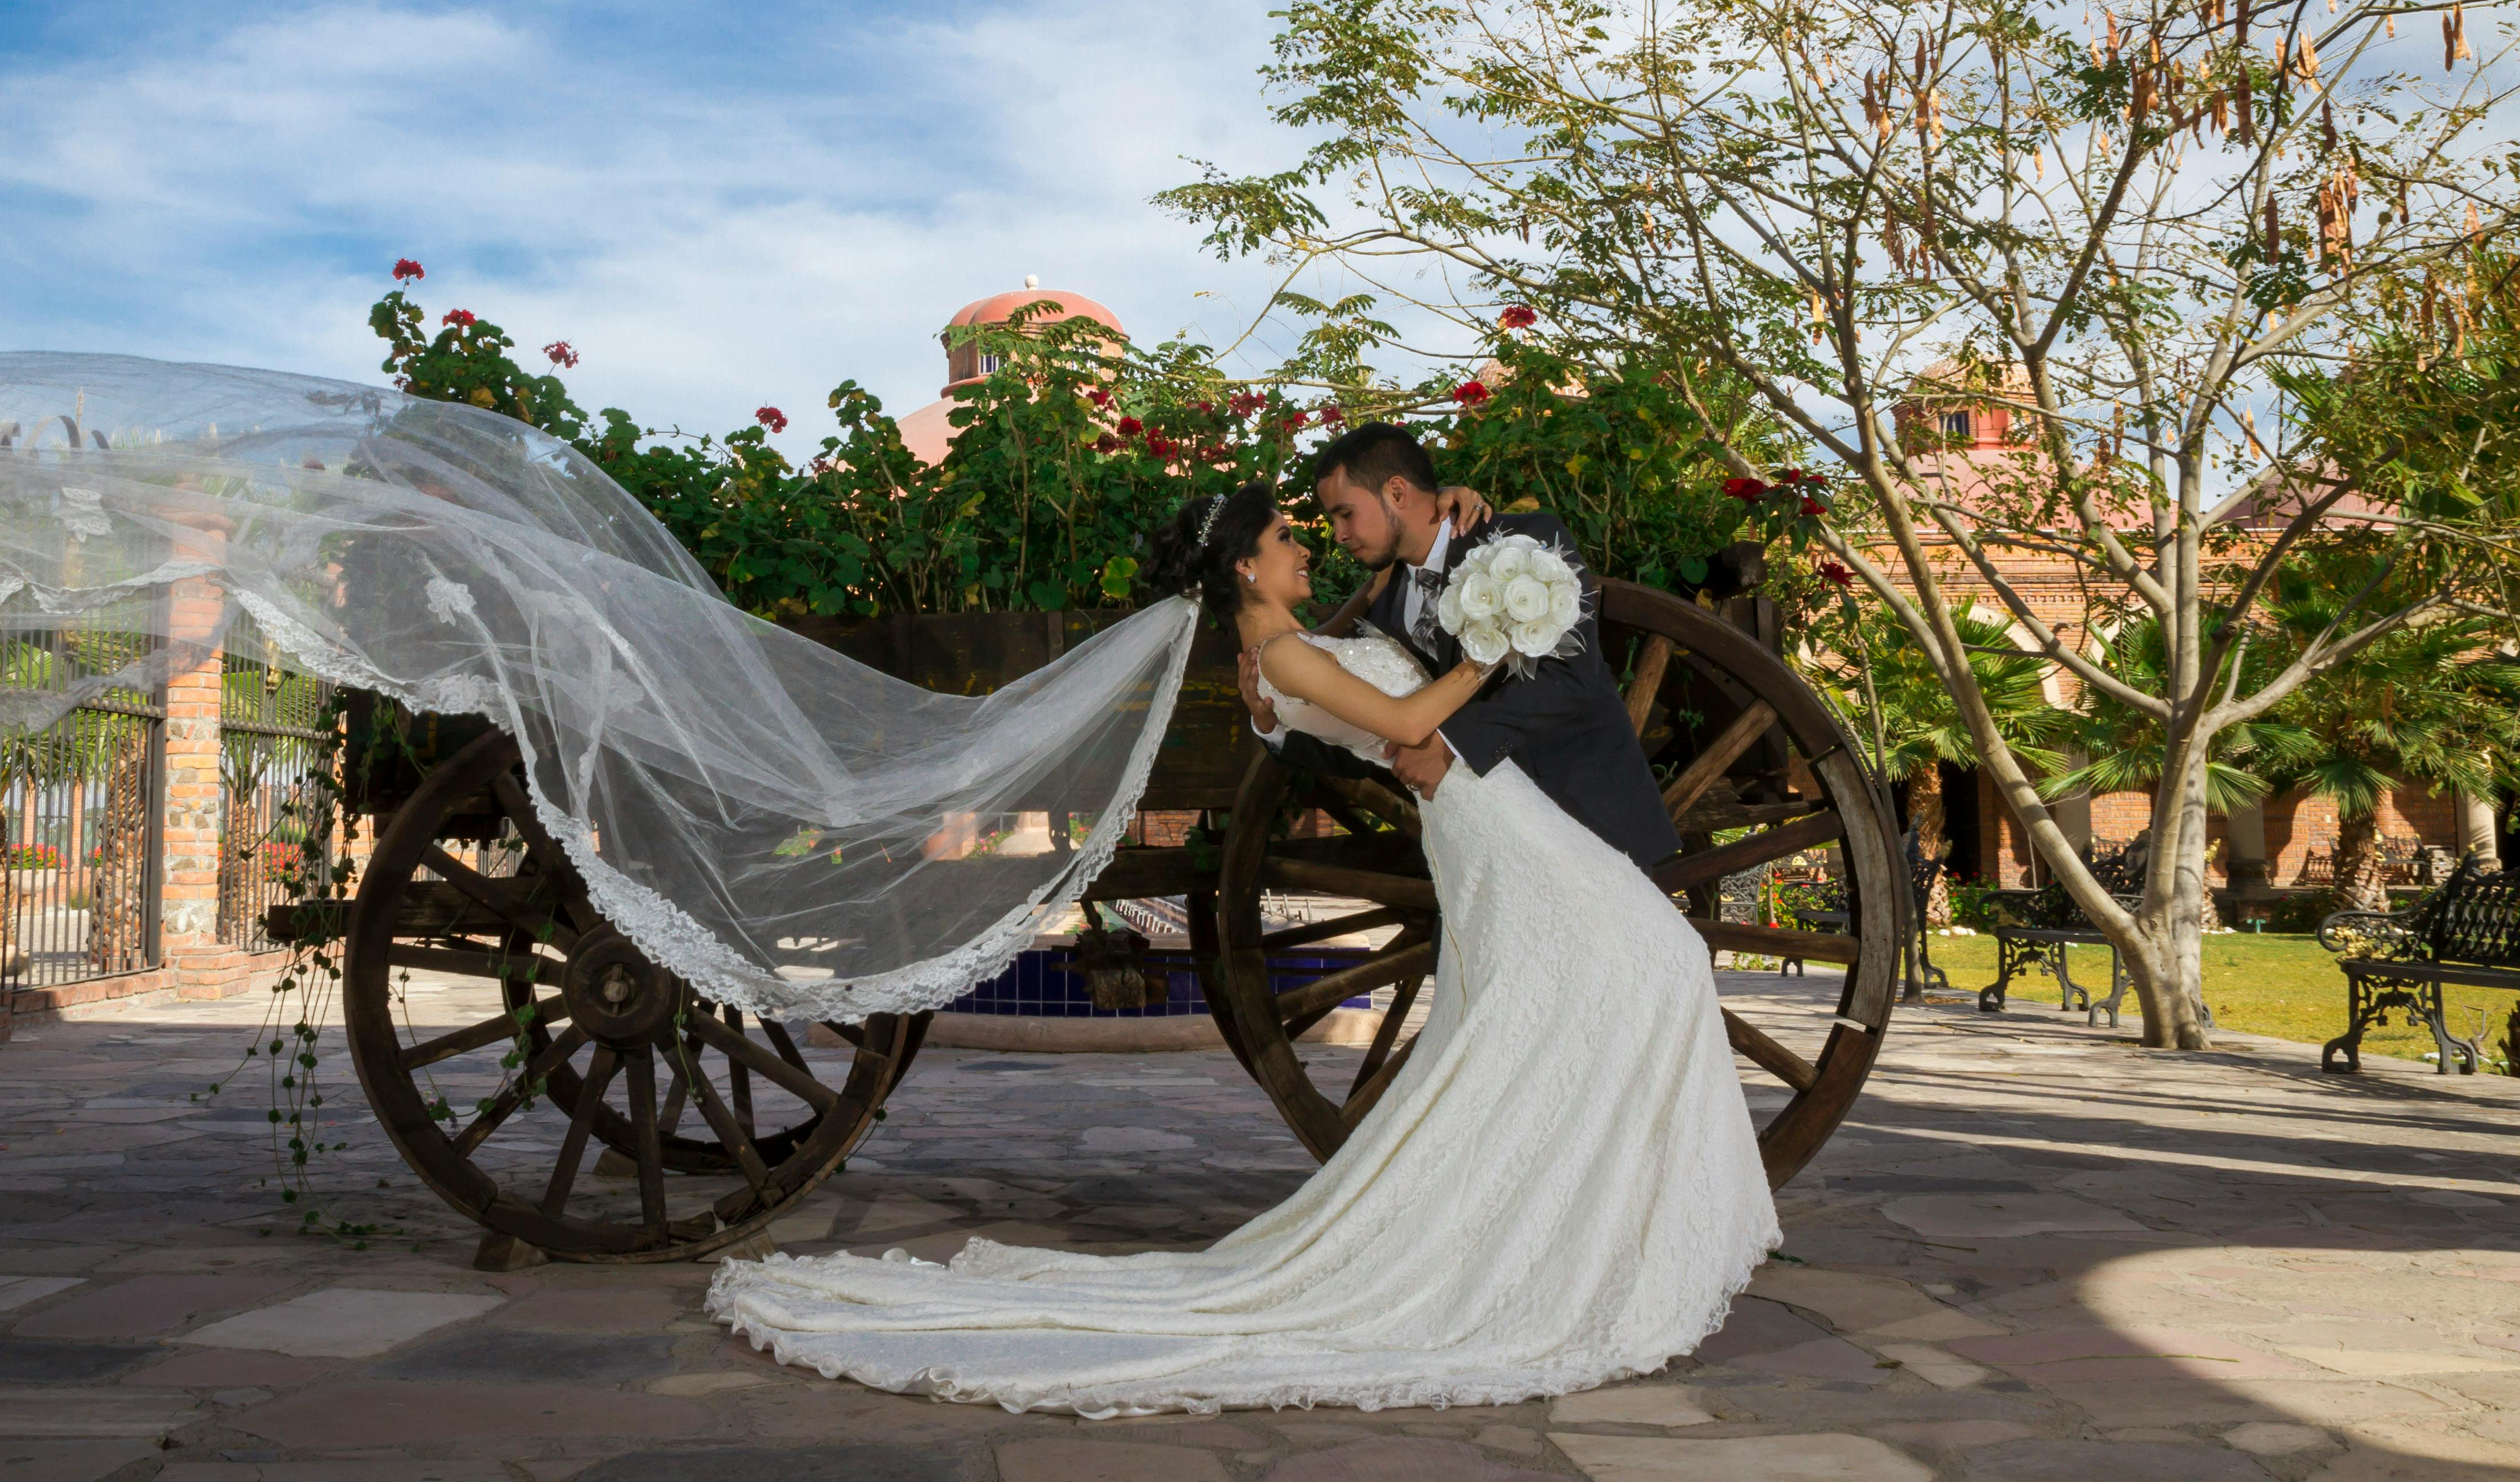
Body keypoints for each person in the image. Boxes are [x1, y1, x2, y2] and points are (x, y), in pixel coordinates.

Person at [707, 476, 1780, 1416]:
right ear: (1246, 566)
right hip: (1491, 823)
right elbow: (1410, 728)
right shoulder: (1282, 653)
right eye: (1285, 539)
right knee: (1650, 967)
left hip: (1499, 819)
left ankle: (1586, 1206)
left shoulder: (1283, 647)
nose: (1306, 545)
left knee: (1608, 984)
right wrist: (1500, 636)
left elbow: (1407, 662)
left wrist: (1477, 547)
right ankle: (1550, 1225)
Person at [1245, 421, 1678, 869]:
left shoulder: (1525, 542)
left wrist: (1450, 744)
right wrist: (1273, 726)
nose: (1338, 534)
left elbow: (1570, 675)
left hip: (1587, 819)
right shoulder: (1380, 607)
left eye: (1345, 513)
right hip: (1483, 846)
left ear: (1397, 492)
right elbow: (1370, 739)